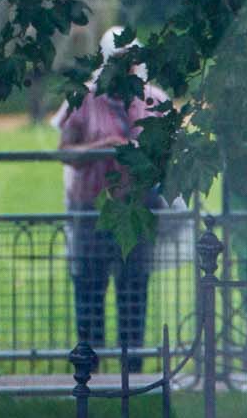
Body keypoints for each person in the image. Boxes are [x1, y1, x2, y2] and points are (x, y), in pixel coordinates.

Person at [52, 27, 167, 370]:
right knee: (89, 289)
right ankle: (89, 370)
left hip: (137, 210)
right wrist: (100, 149)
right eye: (119, 61)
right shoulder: (83, 99)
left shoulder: (155, 100)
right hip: (91, 210)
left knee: (134, 290)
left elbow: (168, 155)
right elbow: (64, 152)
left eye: (132, 62)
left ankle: (133, 367)